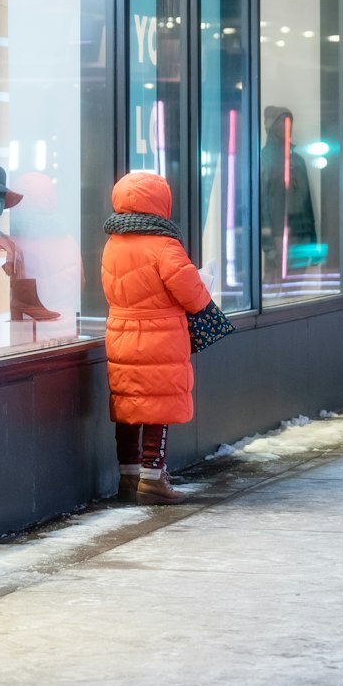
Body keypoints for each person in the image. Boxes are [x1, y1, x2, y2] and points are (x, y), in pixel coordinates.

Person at [101, 170, 211, 505]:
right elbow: (192, 294)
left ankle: (129, 477)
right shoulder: (164, 245)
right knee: (156, 407)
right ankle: (153, 478)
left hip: (120, 332)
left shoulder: (112, 243)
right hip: (159, 336)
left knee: (129, 405)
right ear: (161, 202)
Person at [259, 105, 317, 282]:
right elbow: (261, 207)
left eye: (289, 123)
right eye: (282, 123)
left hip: (300, 239)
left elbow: (307, 205)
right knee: (276, 297)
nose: (287, 127)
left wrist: (312, 244)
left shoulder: (298, 162)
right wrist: (269, 248)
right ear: (272, 127)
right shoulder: (263, 159)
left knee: (295, 296)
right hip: (278, 240)